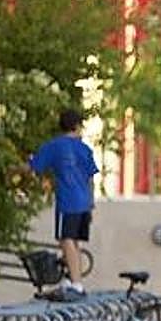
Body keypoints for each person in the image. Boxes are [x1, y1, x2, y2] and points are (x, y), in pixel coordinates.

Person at [29, 108, 98, 294]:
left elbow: (35, 167)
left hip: (67, 201)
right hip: (84, 201)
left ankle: (76, 282)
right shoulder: (84, 149)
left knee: (66, 239)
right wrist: (91, 204)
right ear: (76, 126)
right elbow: (91, 178)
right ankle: (72, 278)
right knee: (74, 242)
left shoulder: (54, 146)